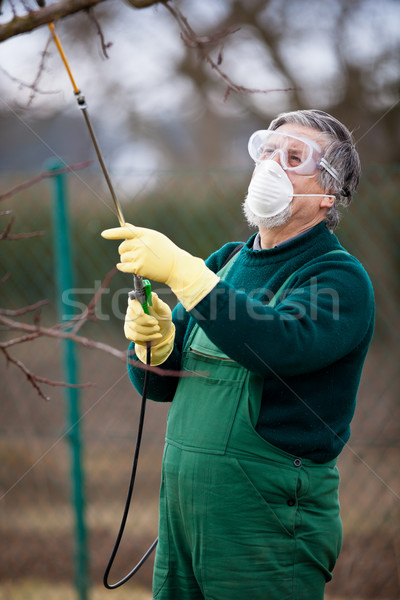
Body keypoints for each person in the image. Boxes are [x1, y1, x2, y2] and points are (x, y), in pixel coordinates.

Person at [102, 109, 375, 600]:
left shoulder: (338, 279)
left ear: (326, 196)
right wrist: (154, 343)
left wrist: (185, 273)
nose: (271, 165)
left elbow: (276, 345)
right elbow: (156, 385)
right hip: (184, 519)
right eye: (268, 151)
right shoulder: (225, 263)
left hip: (266, 527)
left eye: (294, 158)